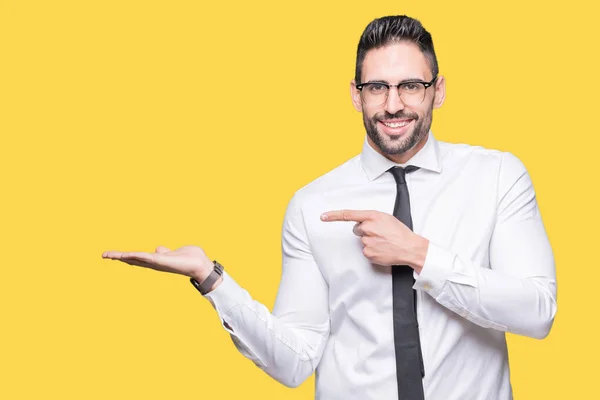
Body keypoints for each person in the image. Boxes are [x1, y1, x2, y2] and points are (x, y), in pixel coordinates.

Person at [102, 15, 557, 400]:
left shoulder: (497, 176)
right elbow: (295, 361)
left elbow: (537, 313)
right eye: (376, 87)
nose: (393, 104)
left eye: (410, 86)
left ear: (437, 91)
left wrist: (420, 254)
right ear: (356, 95)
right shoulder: (312, 205)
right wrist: (211, 278)